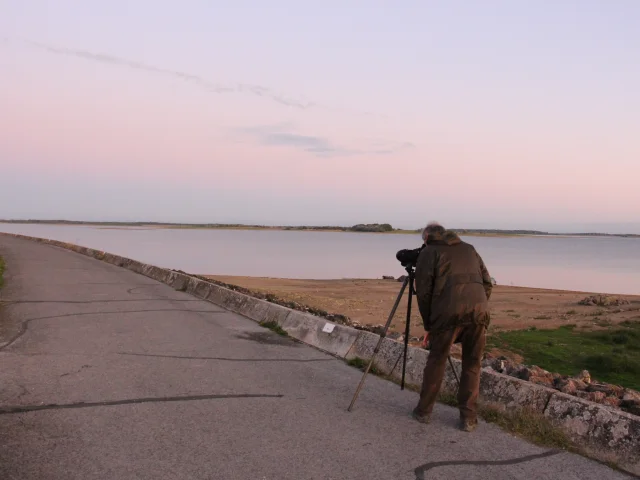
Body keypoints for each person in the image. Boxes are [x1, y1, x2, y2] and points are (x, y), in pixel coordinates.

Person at [411, 222, 493, 432]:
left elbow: (424, 292)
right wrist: (477, 305)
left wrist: (429, 324)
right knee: (472, 364)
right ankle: (469, 419)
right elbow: (487, 283)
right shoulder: (469, 248)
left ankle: (424, 412)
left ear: (427, 238)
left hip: (447, 314)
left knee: (437, 360)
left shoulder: (430, 252)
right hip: (479, 312)